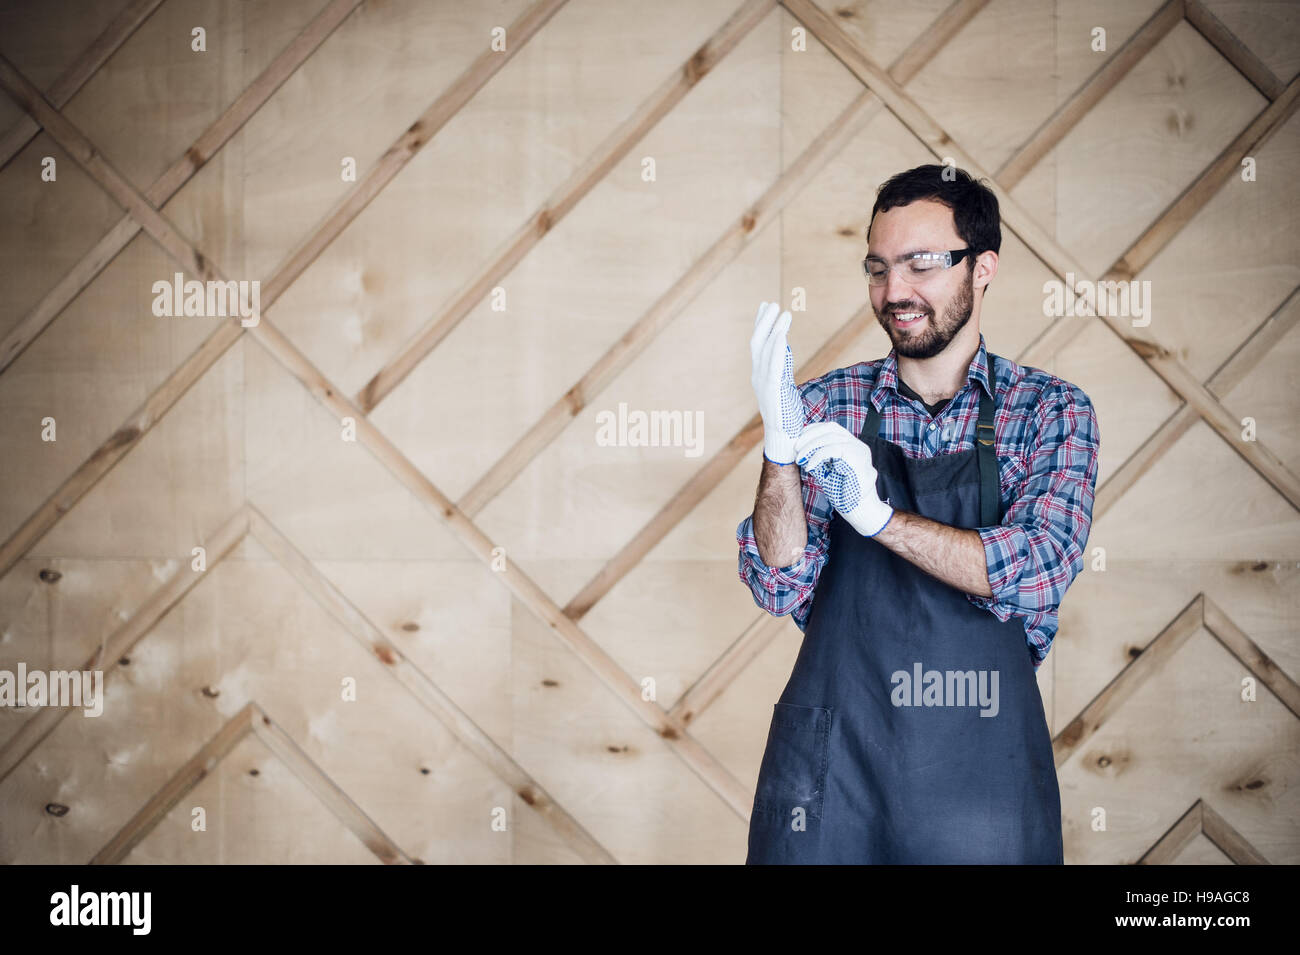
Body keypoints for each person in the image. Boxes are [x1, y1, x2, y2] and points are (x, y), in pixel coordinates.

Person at [736, 163, 1100, 864]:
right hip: (834, 777)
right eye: (878, 268)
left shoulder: (1050, 411)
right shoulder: (824, 404)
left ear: (983, 267)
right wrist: (780, 451)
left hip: (980, 785)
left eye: (920, 264)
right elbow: (777, 583)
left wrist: (878, 520)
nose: (894, 291)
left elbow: (1038, 570)